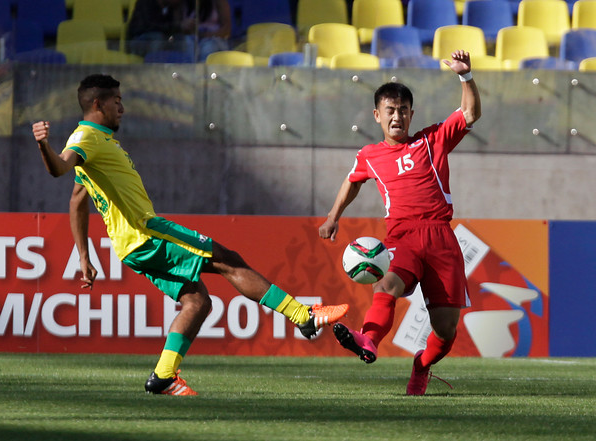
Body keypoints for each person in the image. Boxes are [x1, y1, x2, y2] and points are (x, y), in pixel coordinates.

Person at [32, 74, 348, 396]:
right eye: (117, 102)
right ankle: (302, 315)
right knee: (228, 260)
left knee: (196, 301)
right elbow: (60, 168)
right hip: (148, 234)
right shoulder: (85, 138)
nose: (123, 109)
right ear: (98, 104)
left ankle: (163, 377)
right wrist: (44, 145)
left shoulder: (98, 142)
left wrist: (85, 257)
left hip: (131, 246)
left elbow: (76, 198)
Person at [318, 50, 481, 396]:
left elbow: (470, 113)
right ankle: (369, 339)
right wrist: (333, 217)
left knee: (446, 331)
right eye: (390, 111)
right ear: (378, 115)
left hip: (440, 237)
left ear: (411, 114)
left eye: (403, 110)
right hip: (402, 236)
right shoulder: (370, 155)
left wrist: (465, 76)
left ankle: (421, 366)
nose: (397, 117)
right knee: (386, 284)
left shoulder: (431, 140)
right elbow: (353, 181)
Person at [127, 0, 231, 61]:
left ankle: (200, 78)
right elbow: (151, 26)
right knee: (163, 42)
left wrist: (184, 28)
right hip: (142, 39)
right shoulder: (148, 3)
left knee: (206, 47)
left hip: (212, 39)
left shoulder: (174, 6)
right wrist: (181, 26)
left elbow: (227, 29)